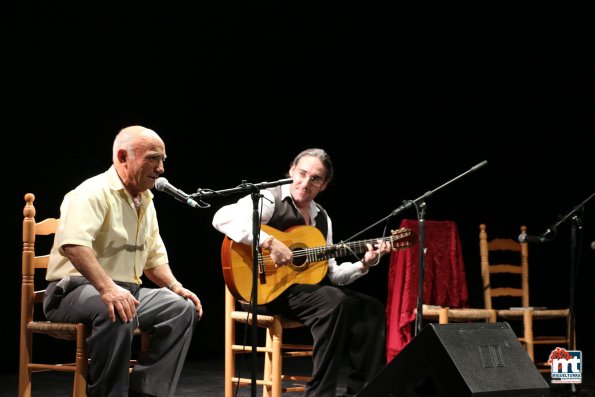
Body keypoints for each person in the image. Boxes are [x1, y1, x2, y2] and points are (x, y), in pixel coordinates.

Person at [212, 148, 392, 397]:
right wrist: (269, 242)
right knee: (333, 300)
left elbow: (334, 275)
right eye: (302, 173)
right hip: (262, 292)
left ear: (324, 185)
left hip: (301, 295)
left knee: (369, 309)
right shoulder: (269, 199)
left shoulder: (321, 219)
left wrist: (365, 263)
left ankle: (363, 391)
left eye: (315, 179)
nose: (306, 183)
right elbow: (221, 218)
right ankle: (320, 393)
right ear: (291, 171)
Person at [43, 125, 202, 397]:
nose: (161, 168)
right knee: (116, 308)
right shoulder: (91, 192)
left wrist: (175, 287)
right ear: (123, 156)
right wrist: (108, 289)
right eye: (152, 158)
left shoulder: (147, 200)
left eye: (162, 159)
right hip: (72, 291)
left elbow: (153, 259)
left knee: (180, 308)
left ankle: (147, 392)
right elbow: (74, 245)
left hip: (128, 291)